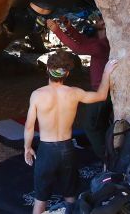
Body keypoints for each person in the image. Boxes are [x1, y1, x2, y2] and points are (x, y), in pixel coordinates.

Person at [24, 51, 119, 214]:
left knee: (40, 200)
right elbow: (102, 96)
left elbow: (29, 126)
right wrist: (106, 72)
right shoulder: (74, 92)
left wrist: (27, 147)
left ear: (47, 69)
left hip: (46, 151)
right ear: (67, 73)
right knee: (70, 197)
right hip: (67, 149)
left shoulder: (37, 95)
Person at [47, 16, 112, 164]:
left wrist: (56, 30)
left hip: (102, 93)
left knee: (90, 126)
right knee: (100, 123)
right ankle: (108, 152)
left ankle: (107, 159)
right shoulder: (99, 42)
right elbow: (82, 41)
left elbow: (78, 48)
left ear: (106, 25)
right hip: (103, 90)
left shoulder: (102, 45)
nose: (97, 20)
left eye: (101, 19)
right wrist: (68, 27)